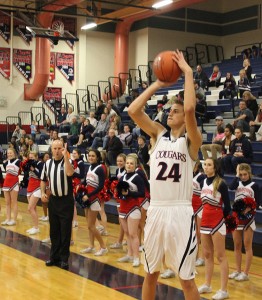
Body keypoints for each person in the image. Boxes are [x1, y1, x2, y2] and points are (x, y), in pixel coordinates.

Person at [128, 50, 202, 300]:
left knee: (186, 280)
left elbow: (191, 109)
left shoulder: (192, 142)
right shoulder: (157, 134)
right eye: (170, 110)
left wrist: (188, 73)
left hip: (180, 213)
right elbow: (133, 110)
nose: (170, 112)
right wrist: (158, 84)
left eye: (175, 111)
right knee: (151, 274)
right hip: (157, 210)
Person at [198, 158, 231, 300]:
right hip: (204, 221)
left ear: (215, 167)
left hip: (217, 222)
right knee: (207, 255)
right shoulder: (202, 181)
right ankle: (207, 284)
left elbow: (228, 207)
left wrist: (220, 219)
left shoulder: (221, 183)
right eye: (205, 165)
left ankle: (224, 290)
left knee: (220, 256)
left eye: (209, 165)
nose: (206, 167)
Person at [40, 140, 75, 270]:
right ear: (51, 149)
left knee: (65, 231)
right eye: (54, 148)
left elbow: (70, 173)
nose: (57, 150)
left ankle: (64, 259)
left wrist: (66, 157)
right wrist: (43, 192)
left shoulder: (68, 162)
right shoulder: (47, 163)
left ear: (63, 149)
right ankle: (54, 257)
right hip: (53, 200)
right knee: (54, 231)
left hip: (66, 201)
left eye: (59, 148)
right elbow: (43, 180)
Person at [228, 164, 260, 281]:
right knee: (236, 245)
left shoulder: (255, 186)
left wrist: (248, 210)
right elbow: (231, 187)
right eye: (241, 174)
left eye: (245, 174)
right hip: (237, 217)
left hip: (248, 218)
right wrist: (236, 175)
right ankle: (237, 270)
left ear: (249, 173)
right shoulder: (237, 183)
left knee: (247, 245)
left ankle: (245, 273)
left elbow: (257, 202)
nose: (243, 176)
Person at [117, 154, 145, 267]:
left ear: (135, 165)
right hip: (123, 207)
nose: (129, 165)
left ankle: (136, 257)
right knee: (127, 233)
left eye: (131, 163)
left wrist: (130, 193)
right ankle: (129, 254)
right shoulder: (123, 176)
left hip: (133, 208)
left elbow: (142, 193)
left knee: (133, 234)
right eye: (127, 163)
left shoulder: (137, 177)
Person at [79, 149, 108, 256]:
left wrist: (89, 195)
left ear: (97, 157)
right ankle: (91, 246)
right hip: (87, 199)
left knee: (91, 226)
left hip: (94, 199)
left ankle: (103, 247)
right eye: (89, 156)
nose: (91, 157)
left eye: (93, 156)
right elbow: (86, 181)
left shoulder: (100, 169)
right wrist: (80, 186)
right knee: (89, 225)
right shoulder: (90, 167)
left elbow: (100, 186)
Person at [110, 153, 127, 250]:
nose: (119, 163)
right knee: (121, 221)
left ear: (125, 162)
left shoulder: (127, 170)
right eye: (118, 161)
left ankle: (120, 241)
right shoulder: (117, 170)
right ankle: (123, 240)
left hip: (124, 198)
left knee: (122, 220)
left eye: (121, 161)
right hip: (118, 198)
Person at [1, 148, 21, 226]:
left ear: (14, 153)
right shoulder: (6, 163)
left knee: (14, 202)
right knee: (7, 203)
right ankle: (8, 218)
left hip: (14, 183)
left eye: (11, 153)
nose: (9, 154)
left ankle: (14, 220)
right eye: (8, 153)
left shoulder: (18, 162)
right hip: (6, 183)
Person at [192, 160, 206, 267]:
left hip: (200, 206)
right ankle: (194, 256)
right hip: (191, 206)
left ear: (197, 165)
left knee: (200, 233)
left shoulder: (201, 177)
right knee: (193, 233)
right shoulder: (188, 174)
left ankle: (202, 257)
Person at [26, 151, 43, 235]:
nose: (31, 159)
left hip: (38, 186)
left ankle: (36, 227)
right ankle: (35, 226)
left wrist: (33, 169)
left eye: (32, 157)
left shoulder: (40, 164)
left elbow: (41, 176)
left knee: (30, 208)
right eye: (30, 157)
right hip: (30, 185)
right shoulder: (29, 164)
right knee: (34, 208)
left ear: (36, 157)